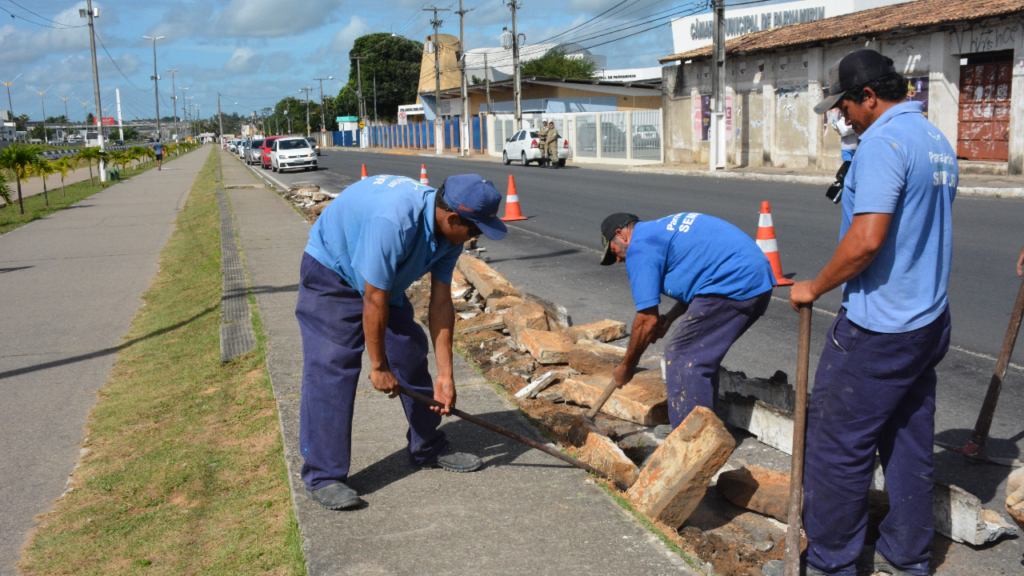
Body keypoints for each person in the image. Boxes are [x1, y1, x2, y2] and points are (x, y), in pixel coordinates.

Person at [770, 49, 958, 576]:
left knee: (834, 448)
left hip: (880, 328)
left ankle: (831, 565)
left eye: (845, 106)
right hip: (928, 320)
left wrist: (814, 287)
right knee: (909, 443)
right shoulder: (935, 140)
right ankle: (907, 557)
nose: (842, 117)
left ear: (869, 96)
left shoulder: (883, 143)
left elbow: (866, 241)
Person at [296, 173, 508, 510]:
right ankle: (323, 475)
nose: (475, 237)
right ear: (453, 217)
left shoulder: (448, 237)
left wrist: (446, 376)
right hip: (332, 272)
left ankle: (427, 446)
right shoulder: (393, 222)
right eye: (475, 229)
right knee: (333, 366)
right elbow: (372, 299)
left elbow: (440, 304)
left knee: (409, 354)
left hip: (381, 284)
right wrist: (378, 366)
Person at [599, 212, 775, 430]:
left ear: (621, 235)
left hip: (733, 283)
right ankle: (707, 426)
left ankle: (690, 436)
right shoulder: (659, 231)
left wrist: (627, 367)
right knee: (700, 355)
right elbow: (696, 281)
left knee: (683, 355)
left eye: (613, 251)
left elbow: (646, 320)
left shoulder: (640, 247)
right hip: (755, 280)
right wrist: (670, 319)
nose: (617, 259)